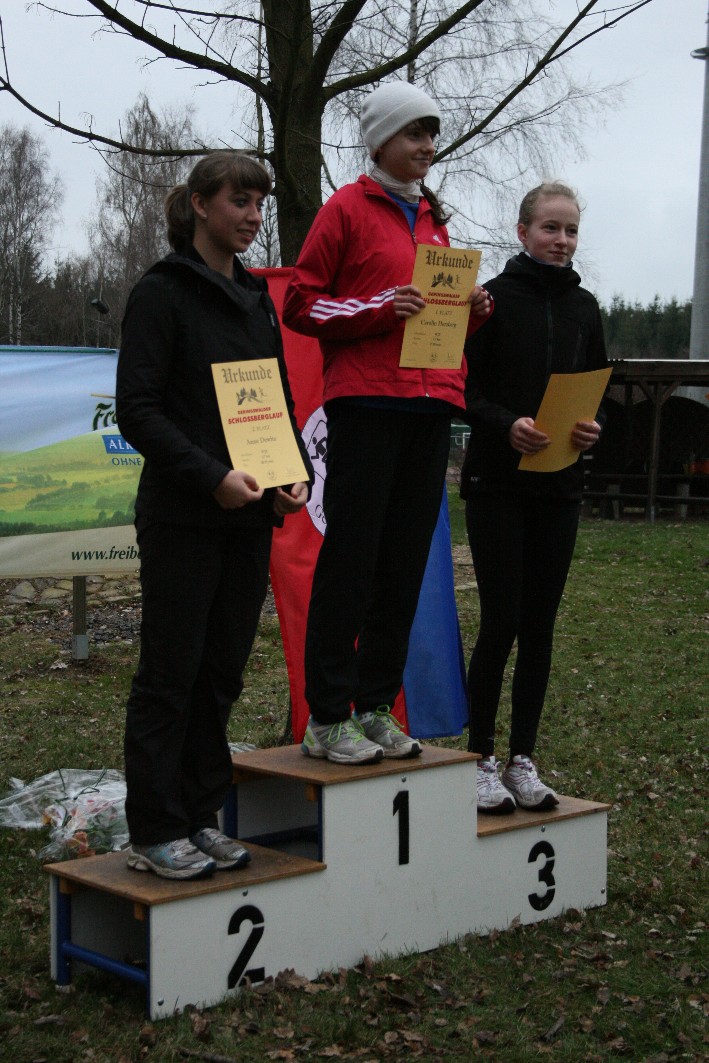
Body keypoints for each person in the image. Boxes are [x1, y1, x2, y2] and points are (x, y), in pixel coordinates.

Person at [283, 82, 492, 765]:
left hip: (431, 404)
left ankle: (375, 705)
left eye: (431, 135)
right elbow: (302, 304)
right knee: (351, 561)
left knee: (403, 565)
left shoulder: (433, 216)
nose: (427, 146)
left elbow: (431, 316)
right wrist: (378, 307)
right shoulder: (345, 207)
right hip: (366, 404)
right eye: (414, 133)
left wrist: (470, 311)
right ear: (379, 142)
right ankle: (326, 716)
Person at [116, 152, 312, 879]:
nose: (254, 216)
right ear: (200, 205)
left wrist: (291, 474)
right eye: (239, 201)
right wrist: (211, 478)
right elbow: (138, 409)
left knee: (221, 673)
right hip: (183, 517)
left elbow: (275, 398)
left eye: (260, 203)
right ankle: (155, 829)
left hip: (248, 520)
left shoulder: (256, 297)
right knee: (171, 674)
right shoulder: (161, 293)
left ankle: (201, 817)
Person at [460, 181, 607, 814]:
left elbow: (596, 390)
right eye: (551, 228)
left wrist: (594, 428)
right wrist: (505, 424)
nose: (562, 240)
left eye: (571, 230)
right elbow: (461, 388)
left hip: (560, 487)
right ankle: (479, 760)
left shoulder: (585, 308)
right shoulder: (491, 301)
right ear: (522, 232)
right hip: (497, 485)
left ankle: (523, 758)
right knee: (502, 621)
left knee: (540, 626)